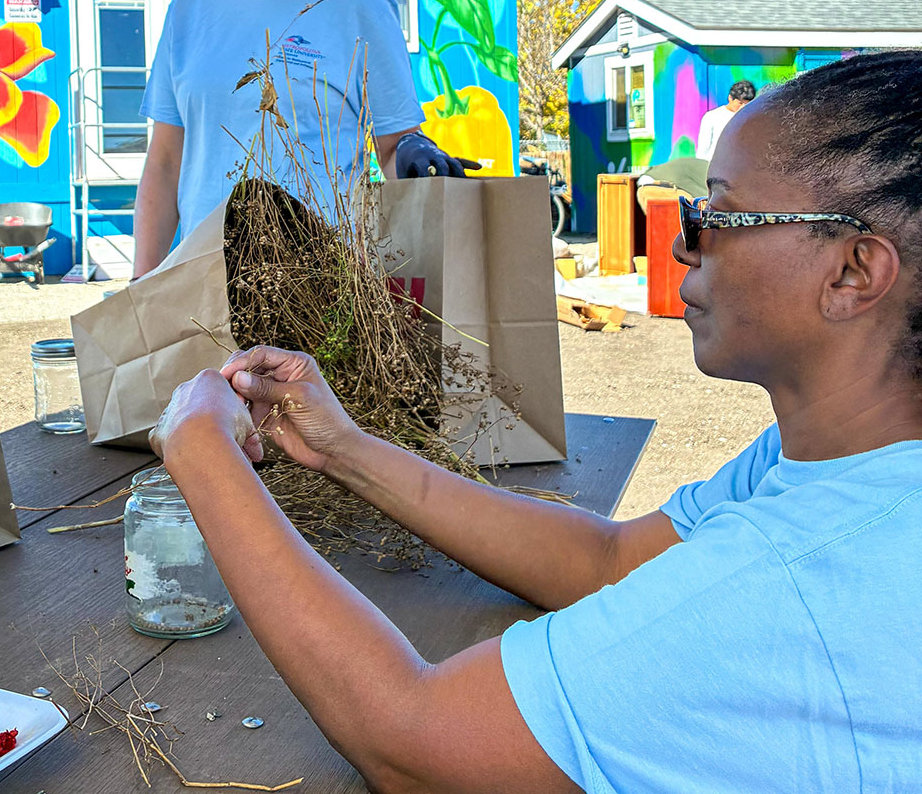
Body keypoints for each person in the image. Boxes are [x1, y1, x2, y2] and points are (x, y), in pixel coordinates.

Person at [148, 50, 922, 792]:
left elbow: (413, 740)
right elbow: (609, 560)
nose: (687, 246)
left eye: (717, 216)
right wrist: (345, 447)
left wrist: (202, 446)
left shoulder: (799, 575)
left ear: (854, 271)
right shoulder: (836, 460)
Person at [131, 0, 472, 280]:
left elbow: (391, 146)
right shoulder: (189, 7)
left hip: (323, 288)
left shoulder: (362, 5)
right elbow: (165, 162)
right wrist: (141, 286)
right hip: (204, 288)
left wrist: (413, 151)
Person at [696, 79, 756, 160]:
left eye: (747, 104)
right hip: (715, 166)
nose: (743, 107)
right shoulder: (712, 117)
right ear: (730, 98)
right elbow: (703, 149)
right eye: (740, 103)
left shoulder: (751, 118)